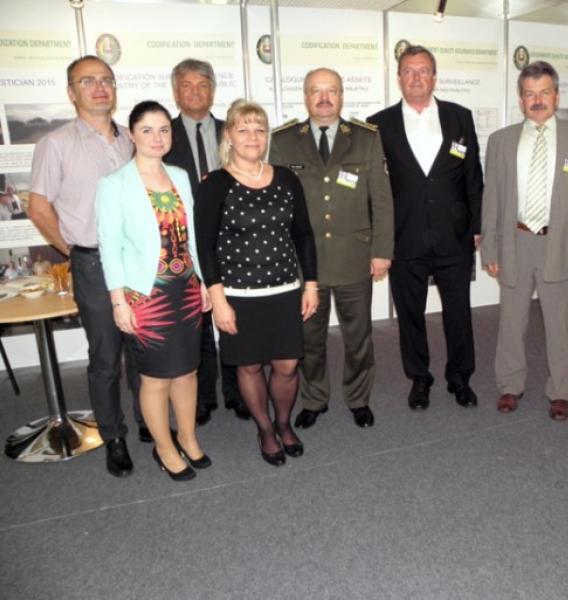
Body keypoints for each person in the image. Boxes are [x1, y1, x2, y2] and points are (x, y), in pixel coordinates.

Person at [28, 55, 140, 477]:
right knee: (106, 357)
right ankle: (114, 436)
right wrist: (73, 251)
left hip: (137, 262)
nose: (99, 87)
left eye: (106, 79)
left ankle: (148, 421)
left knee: (142, 349)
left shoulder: (131, 140)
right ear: (71, 92)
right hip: (93, 263)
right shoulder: (55, 144)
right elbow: (38, 207)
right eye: (87, 81)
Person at [195, 100, 318, 466]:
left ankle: (283, 423)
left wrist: (311, 284)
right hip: (238, 294)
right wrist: (218, 299)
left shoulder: (286, 178)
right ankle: (265, 429)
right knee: (248, 366)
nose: (252, 137)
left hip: (284, 291)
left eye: (259, 130)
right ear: (229, 136)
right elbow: (205, 246)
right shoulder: (215, 184)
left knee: (287, 365)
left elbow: (304, 234)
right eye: (244, 129)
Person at [269, 68, 393, 430]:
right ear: (306, 96)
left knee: (358, 337)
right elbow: (276, 202)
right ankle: (314, 398)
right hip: (305, 263)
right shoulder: (284, 140)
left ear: (341, 95)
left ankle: (358, 398)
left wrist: (382, 250)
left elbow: (381, 199)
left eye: (331, 91)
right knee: (310, 338)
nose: (324, 98)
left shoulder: (366, 138)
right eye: (316, 91)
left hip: (355, 256)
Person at [96, 100, 211, 481]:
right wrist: (118, 302)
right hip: (146, 295)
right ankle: (164, 447)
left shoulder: (179, 175)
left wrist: (203, 281)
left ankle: (188, 437)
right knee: (156, 378)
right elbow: (110, 247)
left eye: (163, 129)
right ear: (131, 135)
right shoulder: (114, 184)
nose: (157, 137)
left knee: (188, 371)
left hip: (186, 289)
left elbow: (192, 235)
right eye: (147, 130)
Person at [480, 61, 568, 420]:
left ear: (556, 96)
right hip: (515, 243)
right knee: (511, 321)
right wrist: (490, 248)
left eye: (544, 92)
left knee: (559, 324)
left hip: (559, 245)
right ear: (520, 99)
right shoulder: (501, 140)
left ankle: (561, 390)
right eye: (530, 94)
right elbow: (491, 199)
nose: (537, 100)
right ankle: (509, 385)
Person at [368, 45, 483, 411]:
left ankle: (460, 378)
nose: (416, 77)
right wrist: (378, 240)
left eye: (423, 71)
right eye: (409, 71)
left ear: (434, 77)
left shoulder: (459, 117)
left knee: (458, 312)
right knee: (410, 314)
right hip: (404, 236)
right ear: (399, 78)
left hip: (454, 235)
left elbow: (472, 176)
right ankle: (419, 379)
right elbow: (374, 188)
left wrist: (477, 225)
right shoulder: (378, 124)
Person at [163, 58, 248, 426]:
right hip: (183, 243)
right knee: (195, 323)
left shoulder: (233, 131)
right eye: (187, 85)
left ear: (213, 90)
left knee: (233, 318)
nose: (195, 92)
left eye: (202, 85)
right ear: (176, 92)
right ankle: (203, 395)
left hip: (233, 240)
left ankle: (237, 391)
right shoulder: (163, 135)